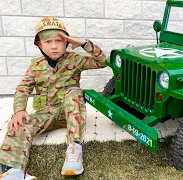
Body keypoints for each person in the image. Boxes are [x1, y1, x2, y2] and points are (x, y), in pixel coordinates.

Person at [0, 17, 107, 179]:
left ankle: (74, 149)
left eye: (59, 40)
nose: (54, 46)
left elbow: (103, 62)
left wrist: (84, 44)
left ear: (67, 43)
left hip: (70, 114)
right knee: (17, 124)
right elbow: (23, 88)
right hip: (46, 114)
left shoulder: (74, 59)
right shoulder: (36, 65)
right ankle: (13, 171)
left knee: (74, 92)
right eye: (48, 41)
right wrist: (19, 110)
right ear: (39, 44)